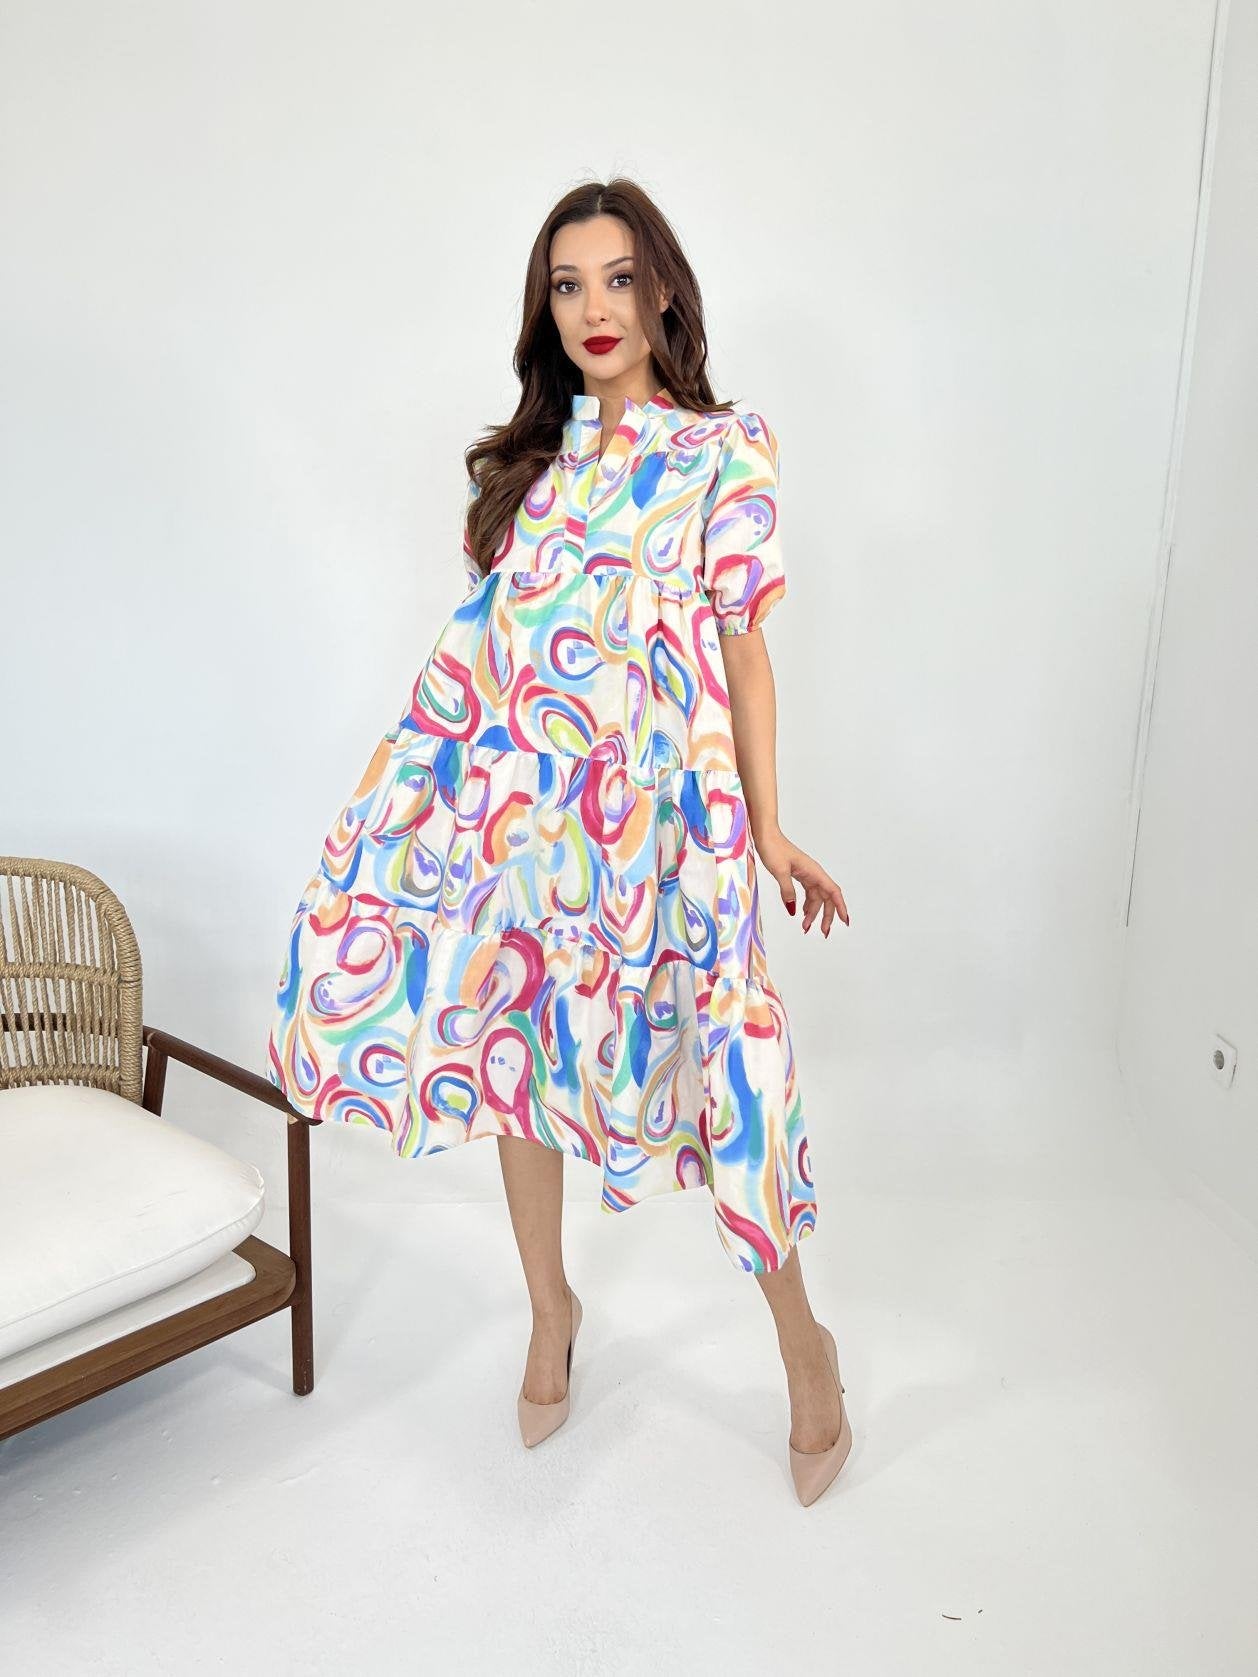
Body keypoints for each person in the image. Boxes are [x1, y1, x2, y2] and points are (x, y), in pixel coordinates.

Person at [265, 177, 853, 1505]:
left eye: (619, 278)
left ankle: (803, 1347)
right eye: (568, 284)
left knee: (730, 1071)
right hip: (524, 823)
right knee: (513, 1053)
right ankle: (550, 1309)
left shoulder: (722, 450)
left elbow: (744, 652)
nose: (596, 308)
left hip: (670, 828)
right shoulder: (529, 472)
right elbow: (484, 666)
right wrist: (396, 810)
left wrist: (768, 829)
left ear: (663, 292)